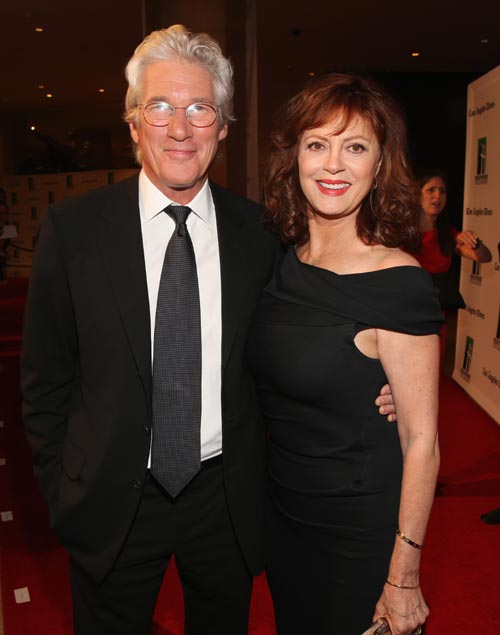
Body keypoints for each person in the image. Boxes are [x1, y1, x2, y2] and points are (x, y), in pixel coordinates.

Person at [21, 25, 397, 635]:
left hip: (226, 498)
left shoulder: (262, 235)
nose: (179, 128)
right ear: (133, 121)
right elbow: (45, 382)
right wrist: (64, 491)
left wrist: (379, 387)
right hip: (112, 496)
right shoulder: (72, 232)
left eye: (199, 109)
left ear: (223, 127)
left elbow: (302, 343)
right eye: (160, 107)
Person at [247, 73, 443, 635]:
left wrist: (404, 575)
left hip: (358, 530)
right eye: (318, 144)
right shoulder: (280, 261)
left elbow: (421, 438)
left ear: (380, 165)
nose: (334, 164)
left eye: (354, 147)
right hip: (284, 517)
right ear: (295, 158)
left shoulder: (398, 282)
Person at [415, 170, 492, 360]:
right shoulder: (402, 231)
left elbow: (484, 257)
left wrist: (476, 243)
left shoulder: (447, 234)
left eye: (442, 191)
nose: (437, 196)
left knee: (432, 363)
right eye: (431, 190)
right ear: (417, 195)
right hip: (407, 308)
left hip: (435, 311)